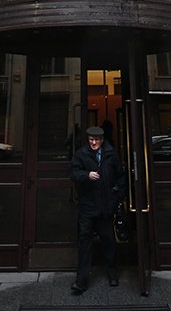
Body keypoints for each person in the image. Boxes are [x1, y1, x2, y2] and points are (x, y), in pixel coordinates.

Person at [69, 125, 125, 294]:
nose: (94, 143)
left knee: (108, 241)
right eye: (91, 140)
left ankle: (113, 274)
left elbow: (120, 177)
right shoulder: (81, 154)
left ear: (102, 140)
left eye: (97, 140)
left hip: (105, 207)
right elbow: (73, 173)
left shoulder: (111, 154)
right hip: (87, 207)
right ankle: (81, 281)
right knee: (85, 243)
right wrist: (86, 175)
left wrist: (116, 197)